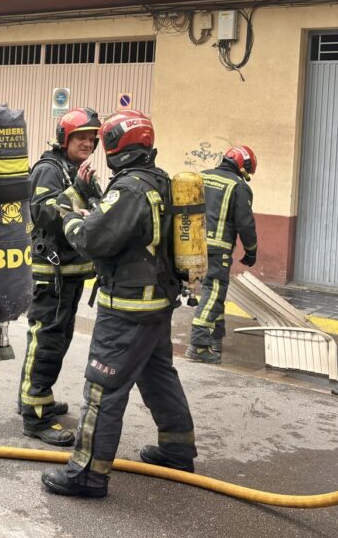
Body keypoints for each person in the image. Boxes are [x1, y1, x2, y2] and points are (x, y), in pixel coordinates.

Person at [41, 110, 196, 499]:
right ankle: (177, 449)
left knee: (102, 389)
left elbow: (91, 240)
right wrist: (96, 208)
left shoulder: (129, 189)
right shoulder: (160, 180)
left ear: (115, 146)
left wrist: (69, 215)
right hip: (157, 303)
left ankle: (87, 474)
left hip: (128, 308)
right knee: (158, 375)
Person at [18, 107, 101, 446]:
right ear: (65, 138)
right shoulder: (49, 169)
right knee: (46, 340)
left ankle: (36, 396)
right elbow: (41, 212)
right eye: (81, 137)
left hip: (70, 273)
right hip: (50, 273)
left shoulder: (75, 170)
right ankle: (35, 415)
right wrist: (77, 192)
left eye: (92, 139)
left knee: (59, 338)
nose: (88, 143)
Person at [187, 145, 258, 364]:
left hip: (191, 245)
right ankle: (199, 344)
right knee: (213, 291)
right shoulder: (239, 186)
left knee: (215, 293)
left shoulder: (201, 176)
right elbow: (245, 223)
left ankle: (215, 338)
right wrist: (251, 250)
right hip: (217, 249)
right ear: (243, 166)